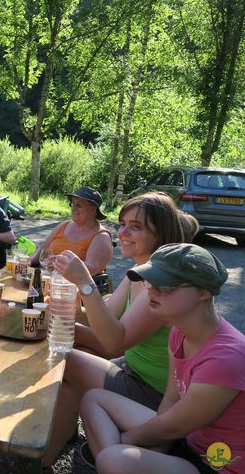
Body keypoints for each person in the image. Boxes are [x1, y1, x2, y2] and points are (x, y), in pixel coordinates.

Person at [43, 191, 184, 467]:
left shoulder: (161, 281)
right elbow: (103, 319)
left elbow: (113, 342)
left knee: (63, 356)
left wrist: (85, 282)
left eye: (136, 227)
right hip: (134, 371)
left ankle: (112, 457)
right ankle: (44, 458)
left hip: (153, 392)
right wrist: (68, 305)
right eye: (122, 224)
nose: (123, 233)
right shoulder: (140, 272)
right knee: (71, 360)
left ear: (161, 233)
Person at [80, 243, 244, 474]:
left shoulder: (226, 358)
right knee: (93, 400)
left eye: (165, 284)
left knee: (114, 459)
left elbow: (172, 427)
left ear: (203, 293)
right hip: (187, 439)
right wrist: (147, 445)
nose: (152, 290)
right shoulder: (179, 332)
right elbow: (170, 400)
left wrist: (126, 441)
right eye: (149, 281)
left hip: (216, 463)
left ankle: (110, 461)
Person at [29, 186, 113, 276]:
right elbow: (42, 250)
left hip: (75, 287)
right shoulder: (64, 225)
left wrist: (61, 264)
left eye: (78, 205)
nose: (73, 208)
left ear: (92, 210)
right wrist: (25, 262)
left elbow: (92, 269)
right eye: (72, 204)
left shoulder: (101, 236)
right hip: (47, 278)